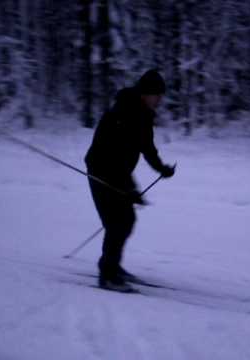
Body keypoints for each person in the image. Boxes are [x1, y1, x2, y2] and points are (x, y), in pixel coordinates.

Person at [85, 69, 175, 292]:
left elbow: (147, 148)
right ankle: (108, 274)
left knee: (124, 220)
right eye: (157, 95)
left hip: (119, 172)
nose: (160, 99)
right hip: (102, 170)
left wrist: (161, 168)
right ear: (145, 93)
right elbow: (112, 156)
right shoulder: (123, 113)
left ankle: (112, 266)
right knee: (119, 222)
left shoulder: (143, 115)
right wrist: (128, 189)